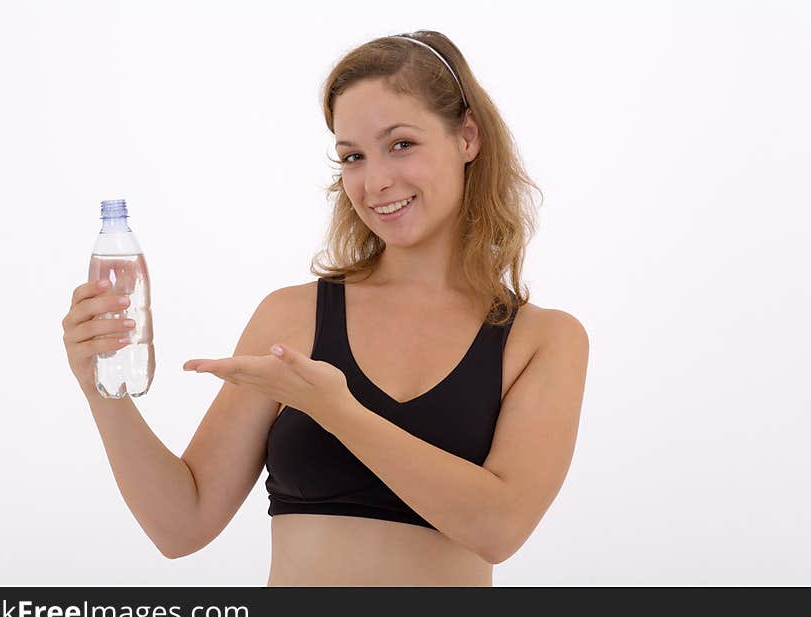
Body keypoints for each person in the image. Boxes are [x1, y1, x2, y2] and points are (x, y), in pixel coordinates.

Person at [61, 30, 589, 586]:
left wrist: (337, 411)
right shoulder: (291, 316)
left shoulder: (542, 340)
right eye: (353, 157)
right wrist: (101, 388)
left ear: (467, 137)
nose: (376, 181)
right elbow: (181, 526)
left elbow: (499, 528)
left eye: (402, 144)